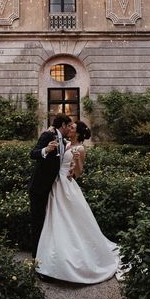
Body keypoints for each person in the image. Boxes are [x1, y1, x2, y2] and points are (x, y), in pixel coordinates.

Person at [35, 120, 120, 284]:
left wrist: (76, 161)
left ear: (78, 133)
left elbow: (78, 173)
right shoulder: (65, 143)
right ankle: (53, 256)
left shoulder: (79, 148)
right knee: (54, 219)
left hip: (66, 186)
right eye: (69, 126)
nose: (69, 128)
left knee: (67, 220)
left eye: (72, 127)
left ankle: (68, 259)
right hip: (56, 184)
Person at [29, 113, 72, 259]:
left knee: (48, 223)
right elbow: (32, 154)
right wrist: (45, 150)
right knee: (38, 223)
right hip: (39, 188)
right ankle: (36, 258)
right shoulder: (47, 136)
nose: (70, 129)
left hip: (52, 189)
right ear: (63, 125)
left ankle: (47, 254)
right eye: (69, 126)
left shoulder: (63, 140)